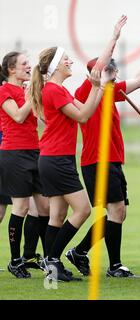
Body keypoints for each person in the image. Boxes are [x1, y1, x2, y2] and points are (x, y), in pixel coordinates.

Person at [65, 32, 140, 278]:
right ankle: (110, 264)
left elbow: (139, 80)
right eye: (108, 70)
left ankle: (82, 253)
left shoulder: (110, 92)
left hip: (111, 160)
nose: (113, 73)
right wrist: (113, 37)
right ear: (96, 74)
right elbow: (100, 69)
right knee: (116, 212)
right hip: (98, 160)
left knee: (119, 212)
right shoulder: (87, 90)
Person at [28, 15, 127, 282]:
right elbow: (84, 116)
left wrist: (98, 85)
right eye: (66, 59)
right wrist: (97, 85)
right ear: (55, 66)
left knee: (58, 215)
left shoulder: (57, 89)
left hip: (55, 159)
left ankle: (52, 270)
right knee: (83, 209)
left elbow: (86, 107)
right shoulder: (55, 91)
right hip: (56, 160)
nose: (71, 61)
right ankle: (52, 260)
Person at [0, 51, 50, 278]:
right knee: (20, 208)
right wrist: (32, 94)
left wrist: (41, 95)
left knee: (44, 208)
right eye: (24, 64)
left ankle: (40, 256)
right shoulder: (4, 91)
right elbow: (18, 116)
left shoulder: (26, 91)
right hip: (14, 154)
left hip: (34, 151)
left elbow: (43, 118)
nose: (29, 67)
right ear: (11, 69)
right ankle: (14, 260)